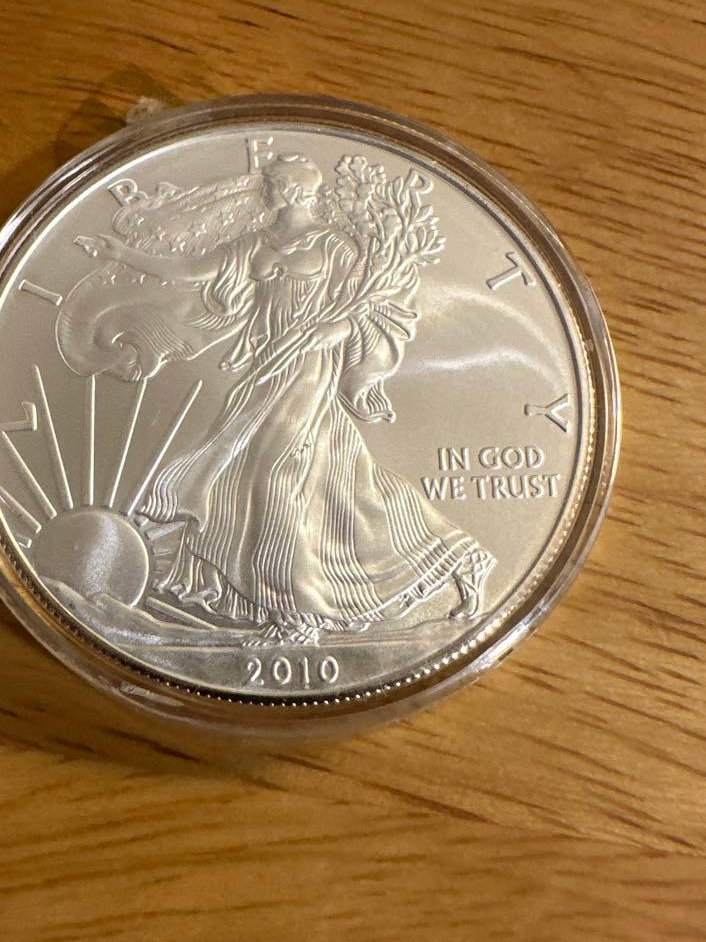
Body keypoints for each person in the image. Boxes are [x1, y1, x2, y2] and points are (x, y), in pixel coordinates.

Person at [82, 155, 493, 644]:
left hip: (309, 371)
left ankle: (299, 615)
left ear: (296, 191)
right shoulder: (257, 241)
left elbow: (367, 310)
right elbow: (192, 269)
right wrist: (122, 253)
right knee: (340, 485)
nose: (267, 190)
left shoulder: (335, 246)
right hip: (266, 370)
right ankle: (457, 556)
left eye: (275, 184)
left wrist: (331, 330)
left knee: (274, 477)